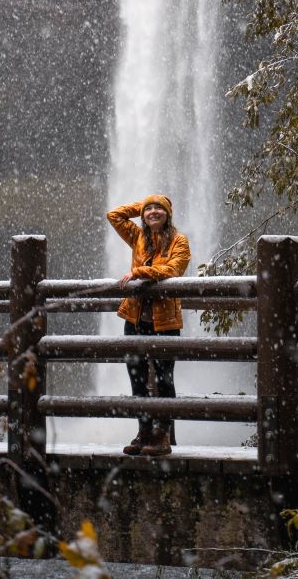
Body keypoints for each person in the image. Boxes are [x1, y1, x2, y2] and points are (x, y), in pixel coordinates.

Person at [106, 195, 191, 457]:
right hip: (135, 319)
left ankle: (162, 435)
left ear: (169, 214)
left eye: (160, 209)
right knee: (137, 378)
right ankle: (144, 432)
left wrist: (139, 272)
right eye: (149, 209)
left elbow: (174, 269)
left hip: (165, 322)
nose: (154, 212)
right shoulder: (137, 237)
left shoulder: (180, 241)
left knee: (165, 379)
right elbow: (114, 215)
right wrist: (144, 205)